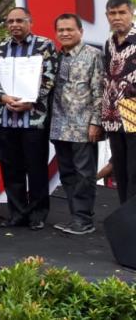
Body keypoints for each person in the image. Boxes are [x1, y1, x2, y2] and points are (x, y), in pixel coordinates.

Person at [0, 6, 57, 230]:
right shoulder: (1, 48)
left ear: (30, 22)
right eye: (10, 21)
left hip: (33, 119)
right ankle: (17, 213)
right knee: (11, 168)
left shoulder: (45, 45)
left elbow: (50, 77)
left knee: (36, 168)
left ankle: (37, 214)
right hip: (5, 118)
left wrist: (31, 100)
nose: (14, 25)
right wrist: (3, 96)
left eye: (19, 20)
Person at [49, 13, 104, 235]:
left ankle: (84, 220)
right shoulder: (55, 57)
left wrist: (96, 123)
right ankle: (76, 217)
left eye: (69, 29)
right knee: (67, 174)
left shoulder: (94, 55)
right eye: (61, 30)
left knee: (84, 175)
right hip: (59, 125)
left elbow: (100, 91)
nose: (65, 33)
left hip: (83, 126)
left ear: (80, 31)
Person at [101, 0, 136, 203]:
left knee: (134, 171)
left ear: (131, 13)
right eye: (112, 13)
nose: (117, 17)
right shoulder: (109, 44)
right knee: (120, 170)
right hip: (112, 113)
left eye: (122, 13)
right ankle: (126, 214)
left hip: (133, 109)